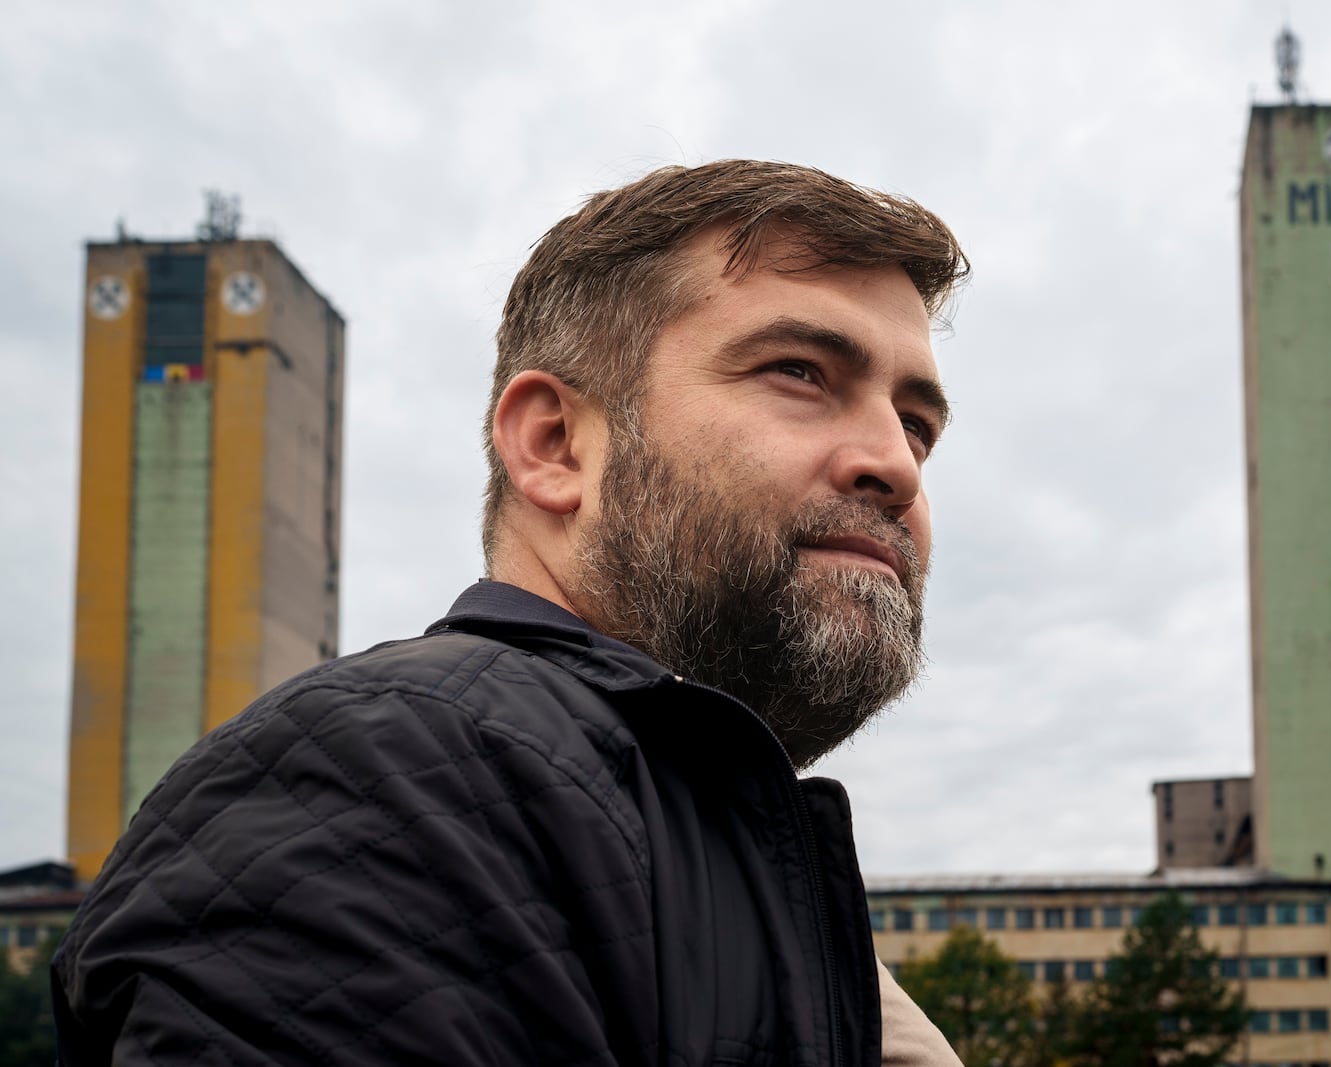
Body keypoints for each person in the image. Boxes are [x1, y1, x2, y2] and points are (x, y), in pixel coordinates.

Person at [53, 160, 967, 1066]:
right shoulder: (381, 778)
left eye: (919, 423)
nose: (897, 464)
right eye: (800, 371)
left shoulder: (688, 845)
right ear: (555, 444)